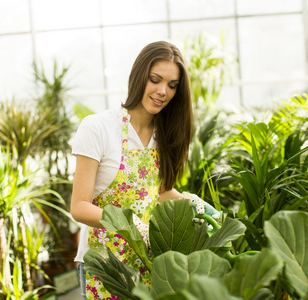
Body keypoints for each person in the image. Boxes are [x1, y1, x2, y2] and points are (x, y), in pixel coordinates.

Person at [70, 41, 219, 300]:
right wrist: (131, 224)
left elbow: (155, 193)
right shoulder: (98, 127)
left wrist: (190, 202)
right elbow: (79, 207)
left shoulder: (164, 134)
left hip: (149, 262)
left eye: (172, 85)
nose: (163, 91)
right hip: (106, 264)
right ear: (139, 75)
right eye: (155, 79)